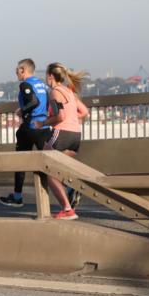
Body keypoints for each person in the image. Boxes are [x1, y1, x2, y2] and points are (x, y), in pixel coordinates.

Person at [0, 59, 52, 207]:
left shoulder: (25, 84)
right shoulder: (42, 84)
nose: (16, 73)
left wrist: (22, 111)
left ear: (23, 70)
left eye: (17, 70)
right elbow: (47, 103)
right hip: (44, 127)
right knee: (50, 162)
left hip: (30, 127)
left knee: (20, 161)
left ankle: (17, 197)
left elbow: (33, 102)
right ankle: (68, 189)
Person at [42, 63, 89, 220]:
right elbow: (84, 111)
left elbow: (60, 116)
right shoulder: (69, 91)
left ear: (50, 76)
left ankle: (68, 209)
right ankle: (70, 188)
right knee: (58, 167)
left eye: (46, 76)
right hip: (75, 136)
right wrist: (72, 118)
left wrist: (43, 123)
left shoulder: (54, 92)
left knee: (46, 167)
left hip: (61, 133)